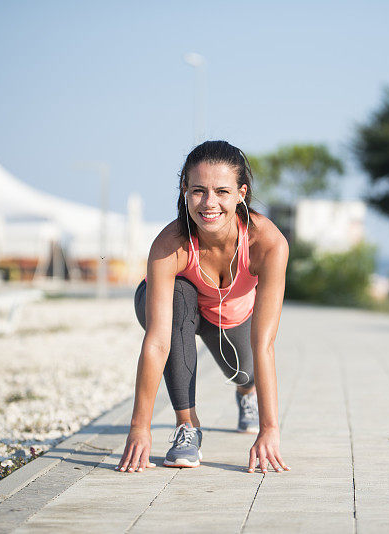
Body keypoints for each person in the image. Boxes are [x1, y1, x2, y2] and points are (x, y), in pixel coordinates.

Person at [117, 140, 290, 475]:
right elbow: (157, 342)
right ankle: (187, 426)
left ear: (241, 193)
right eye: (198, 190)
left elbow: (264, 343)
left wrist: (270, 429)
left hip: (231, 316)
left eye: (221, 191)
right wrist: (140, 426)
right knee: (180, 296)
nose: (210, 203)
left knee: (245, 372)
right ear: (184, 189)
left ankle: (246, 393)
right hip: (177, 310)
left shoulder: (267, 243)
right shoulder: (170, 244)